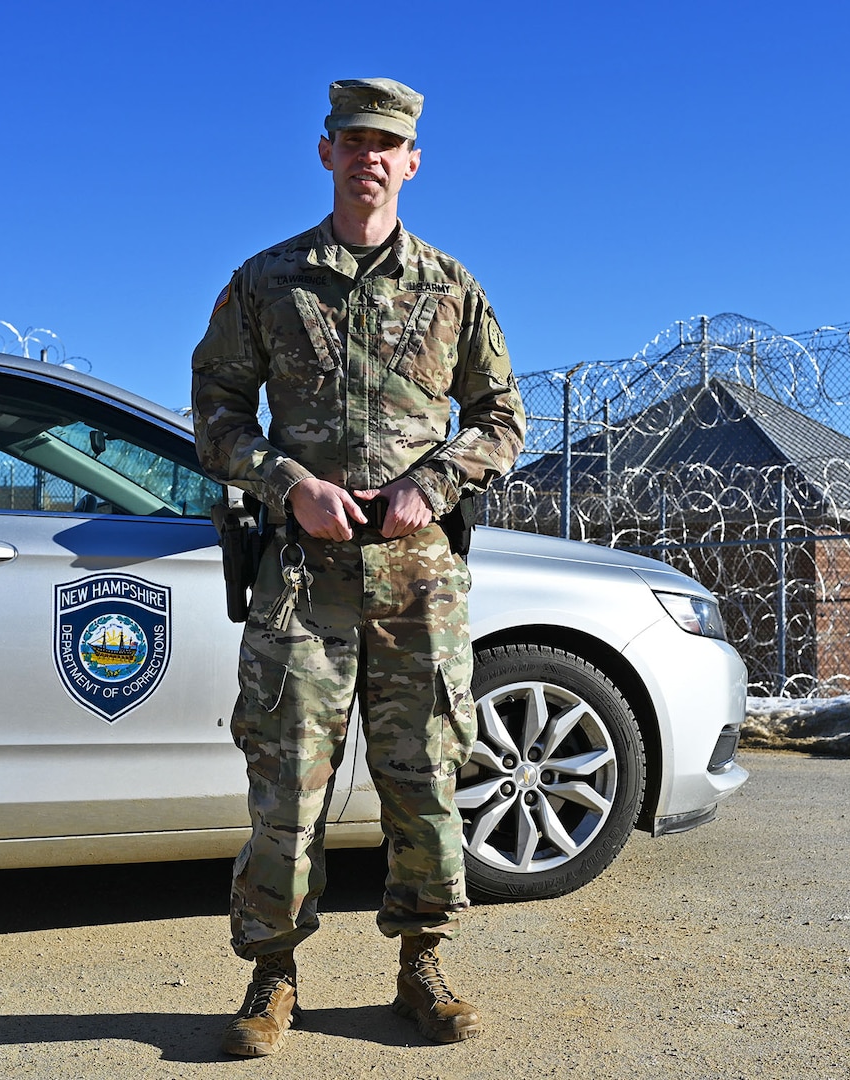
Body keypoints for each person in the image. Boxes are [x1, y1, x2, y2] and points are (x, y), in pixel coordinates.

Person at [190, 77, 526, 1058]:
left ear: (411, 163)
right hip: (304, 576)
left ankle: (422, 962)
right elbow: (214, 414)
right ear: (327, 152)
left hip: (417, 575)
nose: (371, 157)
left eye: (390, 144)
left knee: (424, 771)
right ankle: (272, 972)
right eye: (355, 140)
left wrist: (438, 479)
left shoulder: (452, 290)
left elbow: (502, 418)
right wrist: (286, 481)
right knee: (287, 779)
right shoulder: (267, 283)